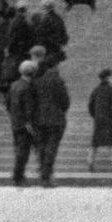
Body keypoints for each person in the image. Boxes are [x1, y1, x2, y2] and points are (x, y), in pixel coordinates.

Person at [31, 52, 70, 185]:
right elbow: (65, 102)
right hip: (56, 119)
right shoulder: (58, 80)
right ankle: (46, 176)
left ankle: (43, 172)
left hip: (39, 119)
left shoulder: (38, 81)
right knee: (51, 147)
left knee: (42, 146)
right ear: (55, 66)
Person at [7, 59, 39, 185]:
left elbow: (8, 104)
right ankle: (18, 176)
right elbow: (29, 108)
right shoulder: (27, 87)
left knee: (19, 150)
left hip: (15, 123)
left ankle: (18, 175)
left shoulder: (14, 85)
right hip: (25, 125)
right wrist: (29, 124)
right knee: (23, 152)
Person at [87, 67, 112, 173]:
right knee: (110, 143)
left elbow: (90, 105)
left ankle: (90, 162)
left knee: (95, 143)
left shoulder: (96, 90)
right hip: (110, 120)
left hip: (99, 119)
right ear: (109, 78)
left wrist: (95, 115)